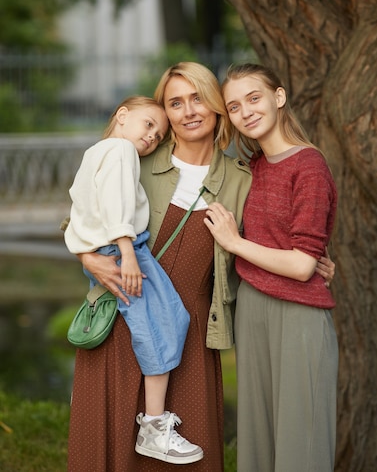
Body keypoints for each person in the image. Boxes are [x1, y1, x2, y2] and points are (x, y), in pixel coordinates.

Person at [66, 62, 335, 472]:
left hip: (191, 331)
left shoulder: (244, 178)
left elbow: (280, 235)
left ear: (216, 108)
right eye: (175, 103)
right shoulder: (137, 159)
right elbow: (82, 212)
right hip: (123, 318)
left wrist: (316, 262)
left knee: (188, 457)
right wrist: (88, 257)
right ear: (166, 113)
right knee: (111, 449)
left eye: (198, 99)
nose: (189, 111)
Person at [204, 63, 339, 472]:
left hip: (298, 315)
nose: (245, 111)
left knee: (302, 445)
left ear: (278, 98)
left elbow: (301, 265)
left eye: (254, 98)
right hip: (253, 309)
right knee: (257, 446)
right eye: (234, 106)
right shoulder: (256, 168)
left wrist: (235, 243)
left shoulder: (308, 166)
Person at [64, 95, 203, 465]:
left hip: (108, 247)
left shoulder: (96, 152)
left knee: (167, 320)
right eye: (148, 125)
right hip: (124, 249)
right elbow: (116, 201)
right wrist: (126, 251)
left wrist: (84, 251)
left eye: (158, 135)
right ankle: (155, 427)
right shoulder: (121, 151)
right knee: (162, 325)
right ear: (122, 116)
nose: (152, 137)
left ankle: (154, 425)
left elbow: (78, 209)